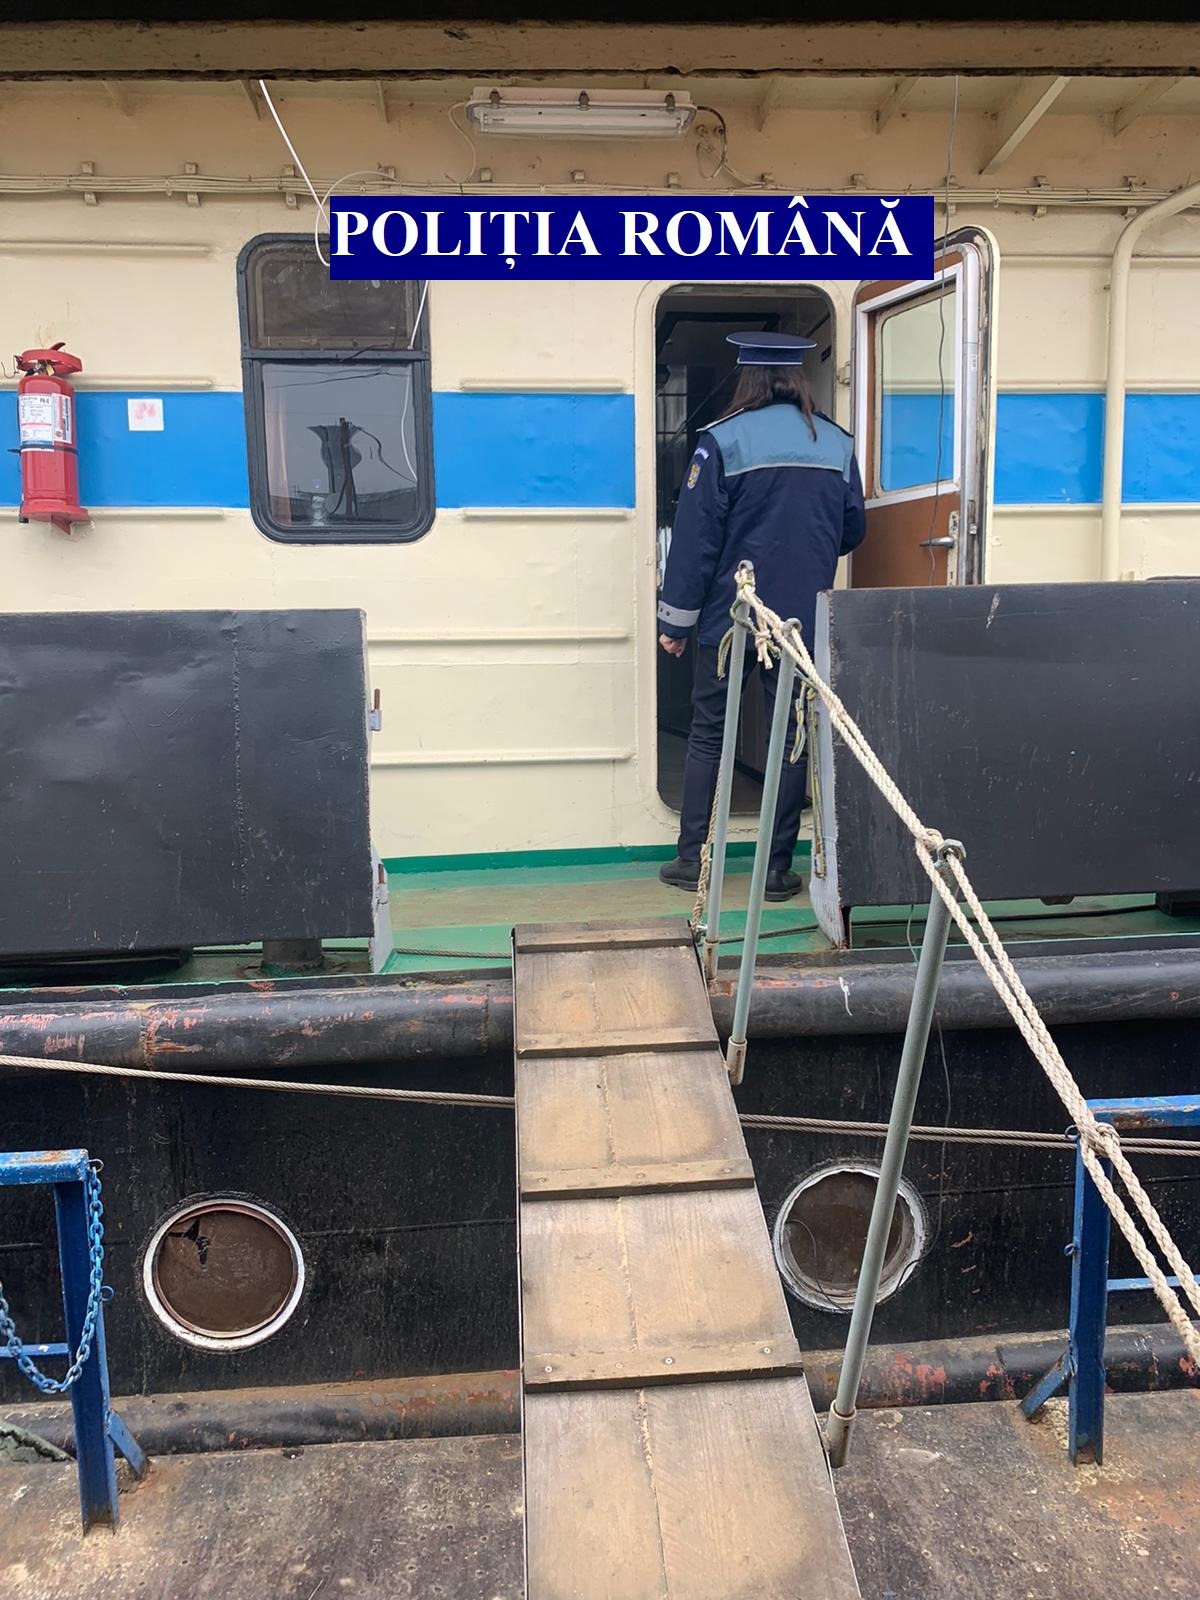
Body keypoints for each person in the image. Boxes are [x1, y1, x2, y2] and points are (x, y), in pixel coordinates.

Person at [657, 330, 866, 901]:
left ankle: (692, 859)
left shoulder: (721, 442)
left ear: (746, 378)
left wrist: (675, 624)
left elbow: (695, 544)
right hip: (799, 623)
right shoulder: (836, 445)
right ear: (799, 378)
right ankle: (775, 872)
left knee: (709, 734)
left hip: (731, 622)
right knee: (789, 738)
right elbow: (852, 530)